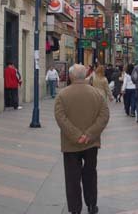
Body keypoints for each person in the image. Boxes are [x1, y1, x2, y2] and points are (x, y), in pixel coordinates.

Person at [54, 64, 109, 214]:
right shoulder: (96, 94)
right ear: (85, 75)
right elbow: (104, 116)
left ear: (71, 76)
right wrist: (89, 135)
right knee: (90, 173)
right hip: (91, 143)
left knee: (72, 177)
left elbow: (60, 117)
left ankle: (75, 209)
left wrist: (76, 136)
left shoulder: (62, 95)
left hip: (71, 144)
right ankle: (92, 204)